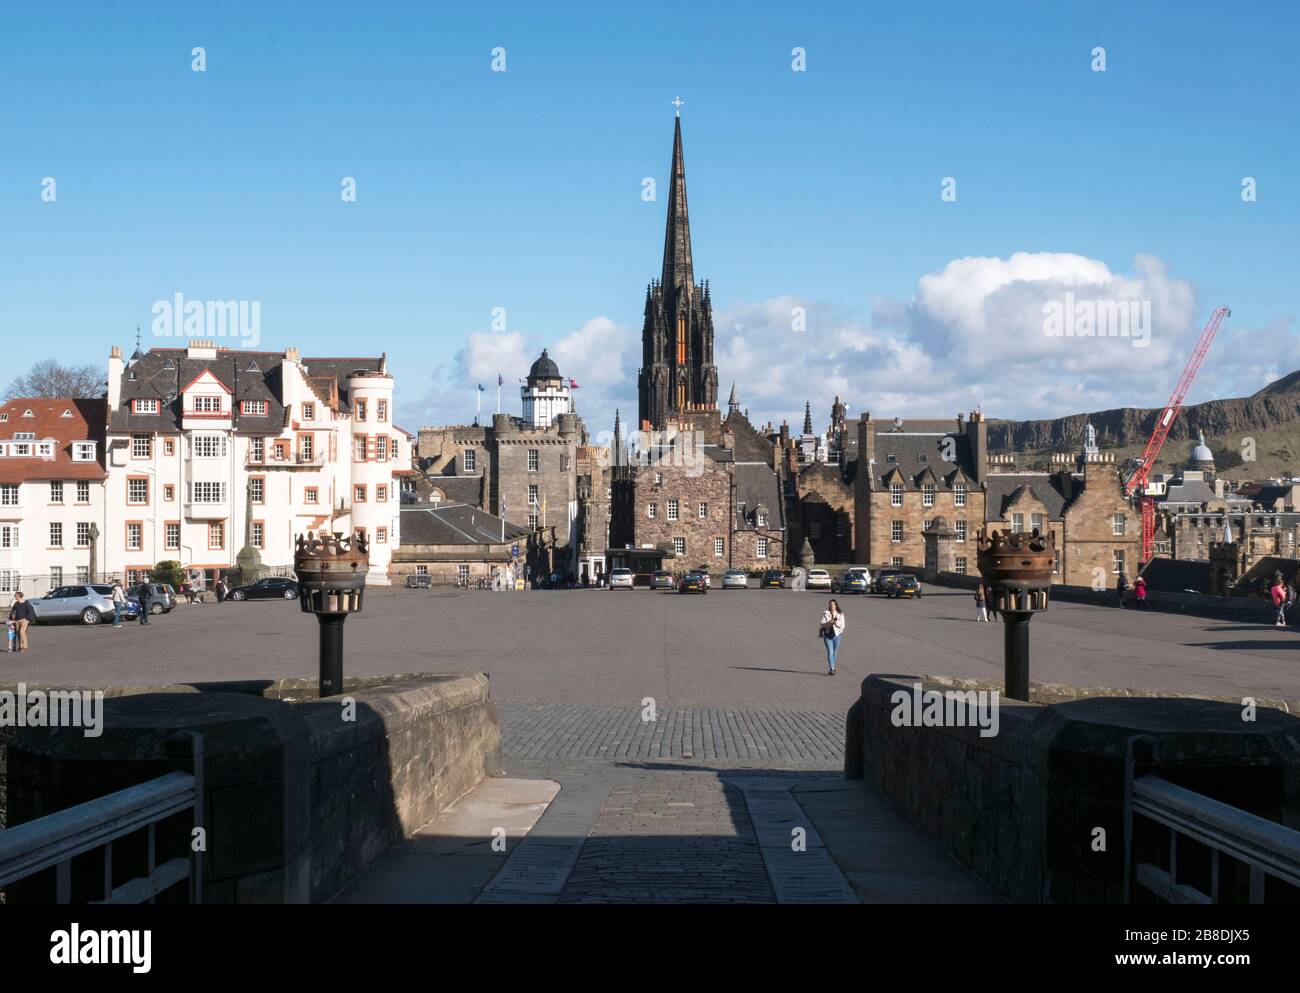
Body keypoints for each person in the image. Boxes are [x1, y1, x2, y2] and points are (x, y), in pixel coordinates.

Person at [818, 598, 846, 676]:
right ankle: (832, 668)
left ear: (836, 605)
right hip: (828, 636)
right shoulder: (825, 613)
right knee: (830, 652)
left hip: (837, 636)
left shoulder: (840, 614)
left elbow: (842, 625)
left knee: (835, 652)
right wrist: (829, 623)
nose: (832, 606)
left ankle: (833, 665)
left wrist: (835, 622)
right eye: (830, 604)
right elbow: (822, 624)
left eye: (833, 604)